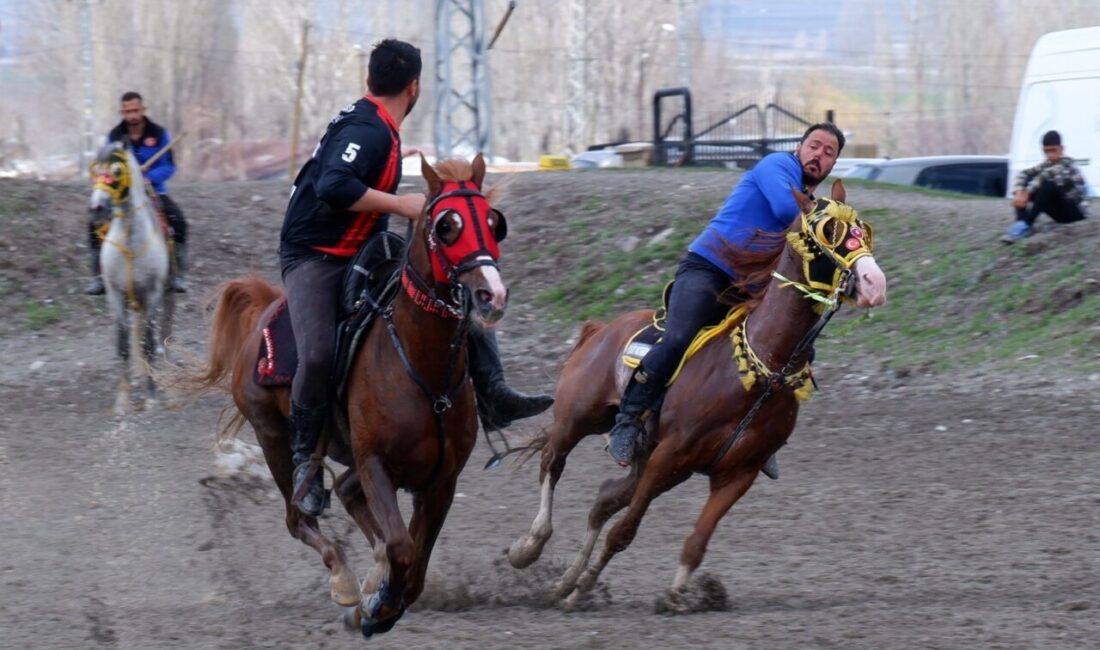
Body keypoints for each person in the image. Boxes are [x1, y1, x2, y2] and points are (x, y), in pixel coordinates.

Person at [279, 38, 552, 516]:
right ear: (415, 86)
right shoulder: (369, 130)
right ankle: (305, 458)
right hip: (314, 255)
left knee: (445, 289)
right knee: (318, 353)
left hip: (364, 245)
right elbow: (331, 186)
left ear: (370, 80)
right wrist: (403, 203)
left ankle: (494, 394)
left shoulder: (379, 124)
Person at [607, 123, 846, 472]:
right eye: (814, 145)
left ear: (833, 164)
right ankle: (628, 420)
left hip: (750, 287)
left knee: (793, 351)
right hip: (709, 268)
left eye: (829, 153)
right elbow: (784, 210)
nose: (818, 155)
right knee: (679, 337)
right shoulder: (777, 166)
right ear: (800, 147)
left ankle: (763, 436)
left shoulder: (815, 204)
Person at [86, 91, 189, 294]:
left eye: (136, 110)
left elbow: (169, 166)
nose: (132, 115)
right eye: (128, 111)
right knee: (94, 224)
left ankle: (177, 274)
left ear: (143, 110)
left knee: (178, 221)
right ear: (122, 112)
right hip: (122, 194)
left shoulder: (159, 134)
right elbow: (107, 166)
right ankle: (98, 277)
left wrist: (147, 178)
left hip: (153, 190)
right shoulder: (114, 137)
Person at [1002, 130, 1089, 243]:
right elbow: (1024, 173)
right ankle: (1021, 223)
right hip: (1060, 214)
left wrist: (1027, 193)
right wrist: (1019, 191)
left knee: (1047, 185)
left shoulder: (1067, 164)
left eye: (1054, 150)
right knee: (1027, 182)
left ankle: (1026, 223)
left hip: (1076, 212)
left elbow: (1045, 176)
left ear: (1061, 149)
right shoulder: (1046, 164)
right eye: (1047, 151)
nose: (1050, 155)